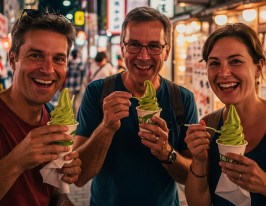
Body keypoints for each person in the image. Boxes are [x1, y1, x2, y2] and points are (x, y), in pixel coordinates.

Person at [74, 7, 198, 206]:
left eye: (154, 46)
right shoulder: (98, 93)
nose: (143, 56)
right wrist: (106, 128)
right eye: (134, 45)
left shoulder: (182, 99)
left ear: (167, 51)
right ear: (122, 49)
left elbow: (192, 177)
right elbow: (78, 176)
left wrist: (167, 152)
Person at [0, 9, 82, 206]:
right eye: (35, 56)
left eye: (58, 59)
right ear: (13, 60)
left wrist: (62, 191)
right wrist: (16, 160)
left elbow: (49, 192)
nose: (48, 69)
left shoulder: (51, 116)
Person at [184, 23, 266, 206]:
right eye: (214, 63)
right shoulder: (209, 125)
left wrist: (264, 184)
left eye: (235, 61)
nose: (223, 73)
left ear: (258, 68)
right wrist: (198, 160)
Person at [63, 49, 85, 116]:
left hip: (70, 86)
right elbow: (83, 75)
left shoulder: (69, 63)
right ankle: (76, 118)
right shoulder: (80, 64)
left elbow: (66, 73)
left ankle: (70, 118)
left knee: (70, 104)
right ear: (77, 55)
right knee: (77, 104)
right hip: (77, 87)